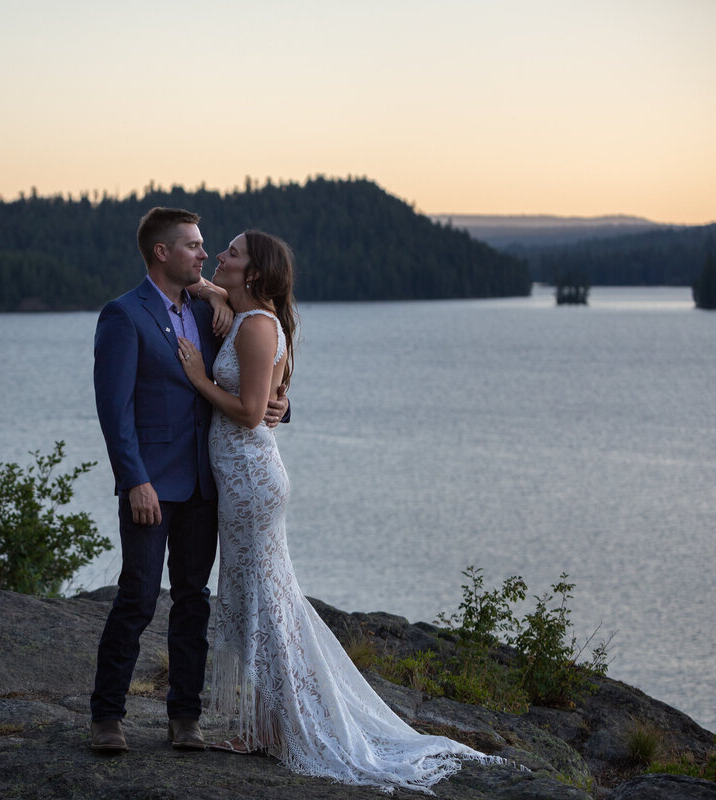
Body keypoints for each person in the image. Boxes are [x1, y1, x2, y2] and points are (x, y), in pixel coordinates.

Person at [176, 230, 502, 792]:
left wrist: (199, 378)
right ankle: (270, 723)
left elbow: (253, 413)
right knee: (262, 597)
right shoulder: (252, 315)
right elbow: (213, 296)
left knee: (266, 602)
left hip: (252, 481)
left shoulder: (257, 327)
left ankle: (277, 726)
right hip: (244, 483)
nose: (219, 258)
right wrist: (215, 296)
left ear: (254, 273)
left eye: (231, 253)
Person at [90, 208, 288, 753]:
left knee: (194, 600)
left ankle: (185, 717)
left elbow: (256, 368)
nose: (205, 255)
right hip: (151, 487)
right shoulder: (123, 316)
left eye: (208, 248)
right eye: (194, 246)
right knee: (136, 598)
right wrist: (135, 480)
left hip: (207, 485)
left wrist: (281, 404)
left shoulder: (210, 311)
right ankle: (107, 717)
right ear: (162, 252)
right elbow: (114, 410)